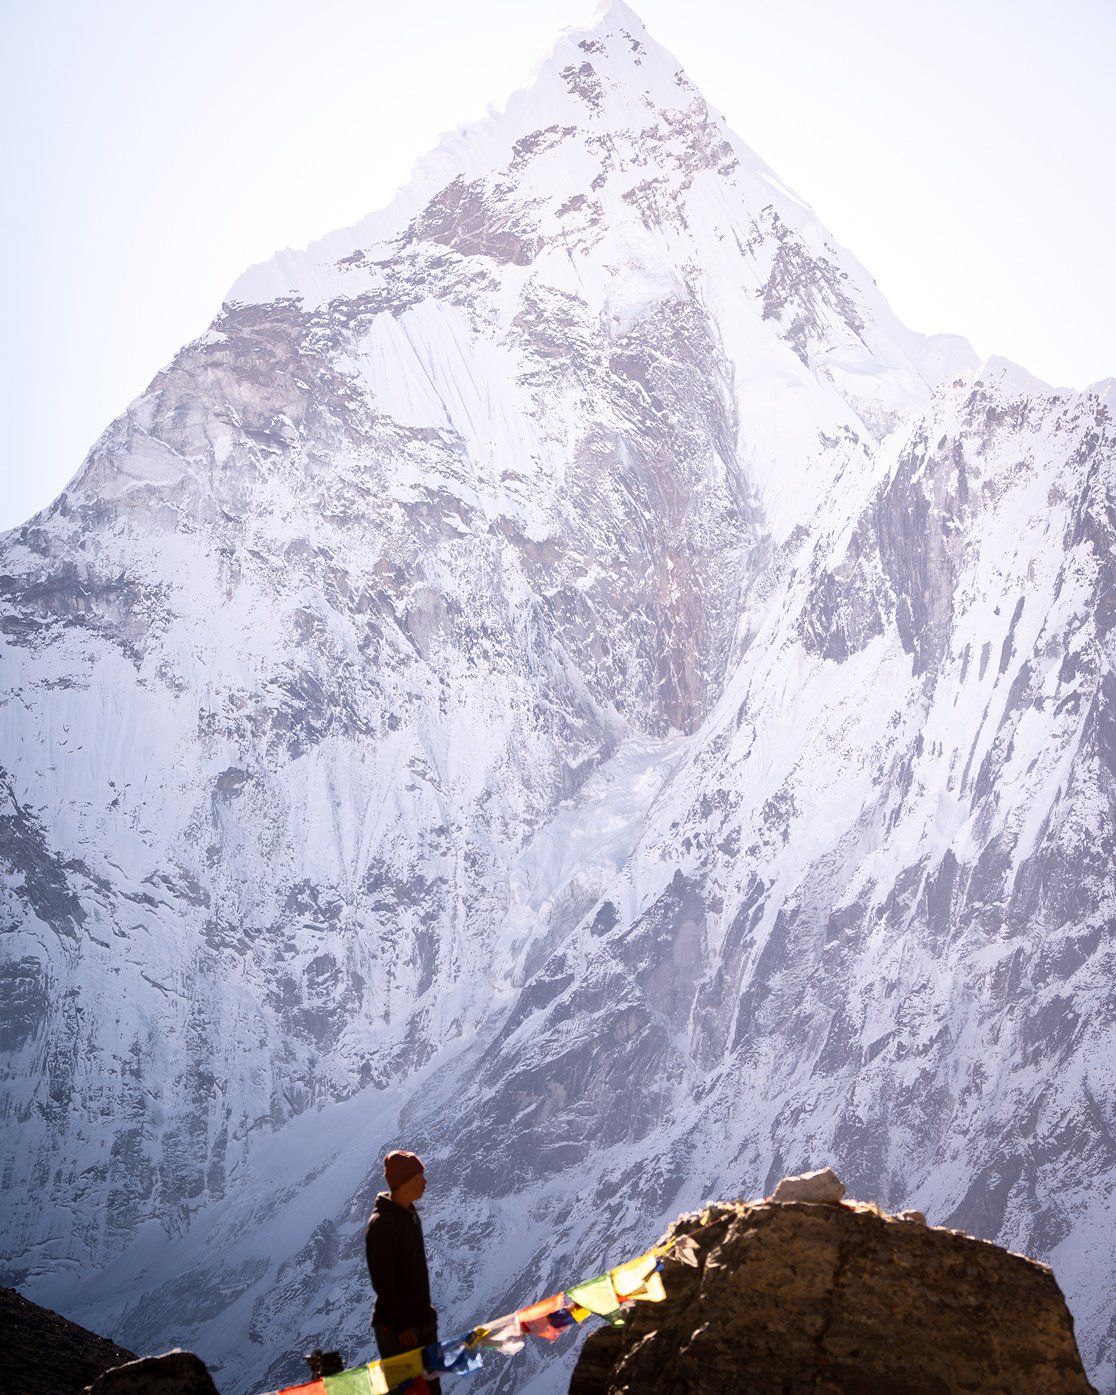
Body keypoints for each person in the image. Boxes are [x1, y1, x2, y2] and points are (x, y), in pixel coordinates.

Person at [365, 1149, 440, 1395]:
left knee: (429, 1389)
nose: (425, 1183)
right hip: (398, 1331)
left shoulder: (409, 1215)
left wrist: (426, 1316)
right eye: (420, 1177)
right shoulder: (383, 1224)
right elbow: (383, 1281)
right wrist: (402, 1325)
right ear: (404, 1182)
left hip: (420, 1323)